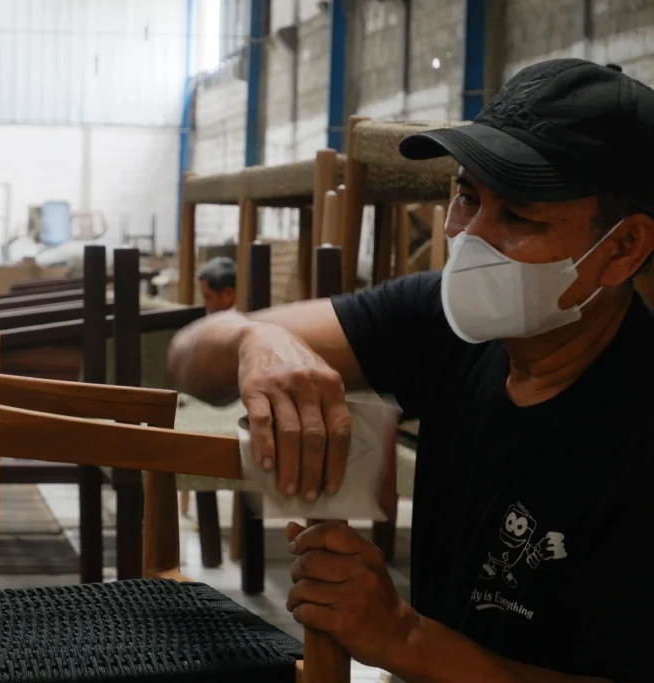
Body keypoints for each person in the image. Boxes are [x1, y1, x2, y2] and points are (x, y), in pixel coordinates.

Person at [168, 58, 654, 682]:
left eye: (520, 218)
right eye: (466, 197)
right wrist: (254, 342)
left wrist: (401, 637)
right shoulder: (442, 322)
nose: (471, 241)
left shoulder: (636, 427)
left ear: (622, 247)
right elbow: (191, 356)